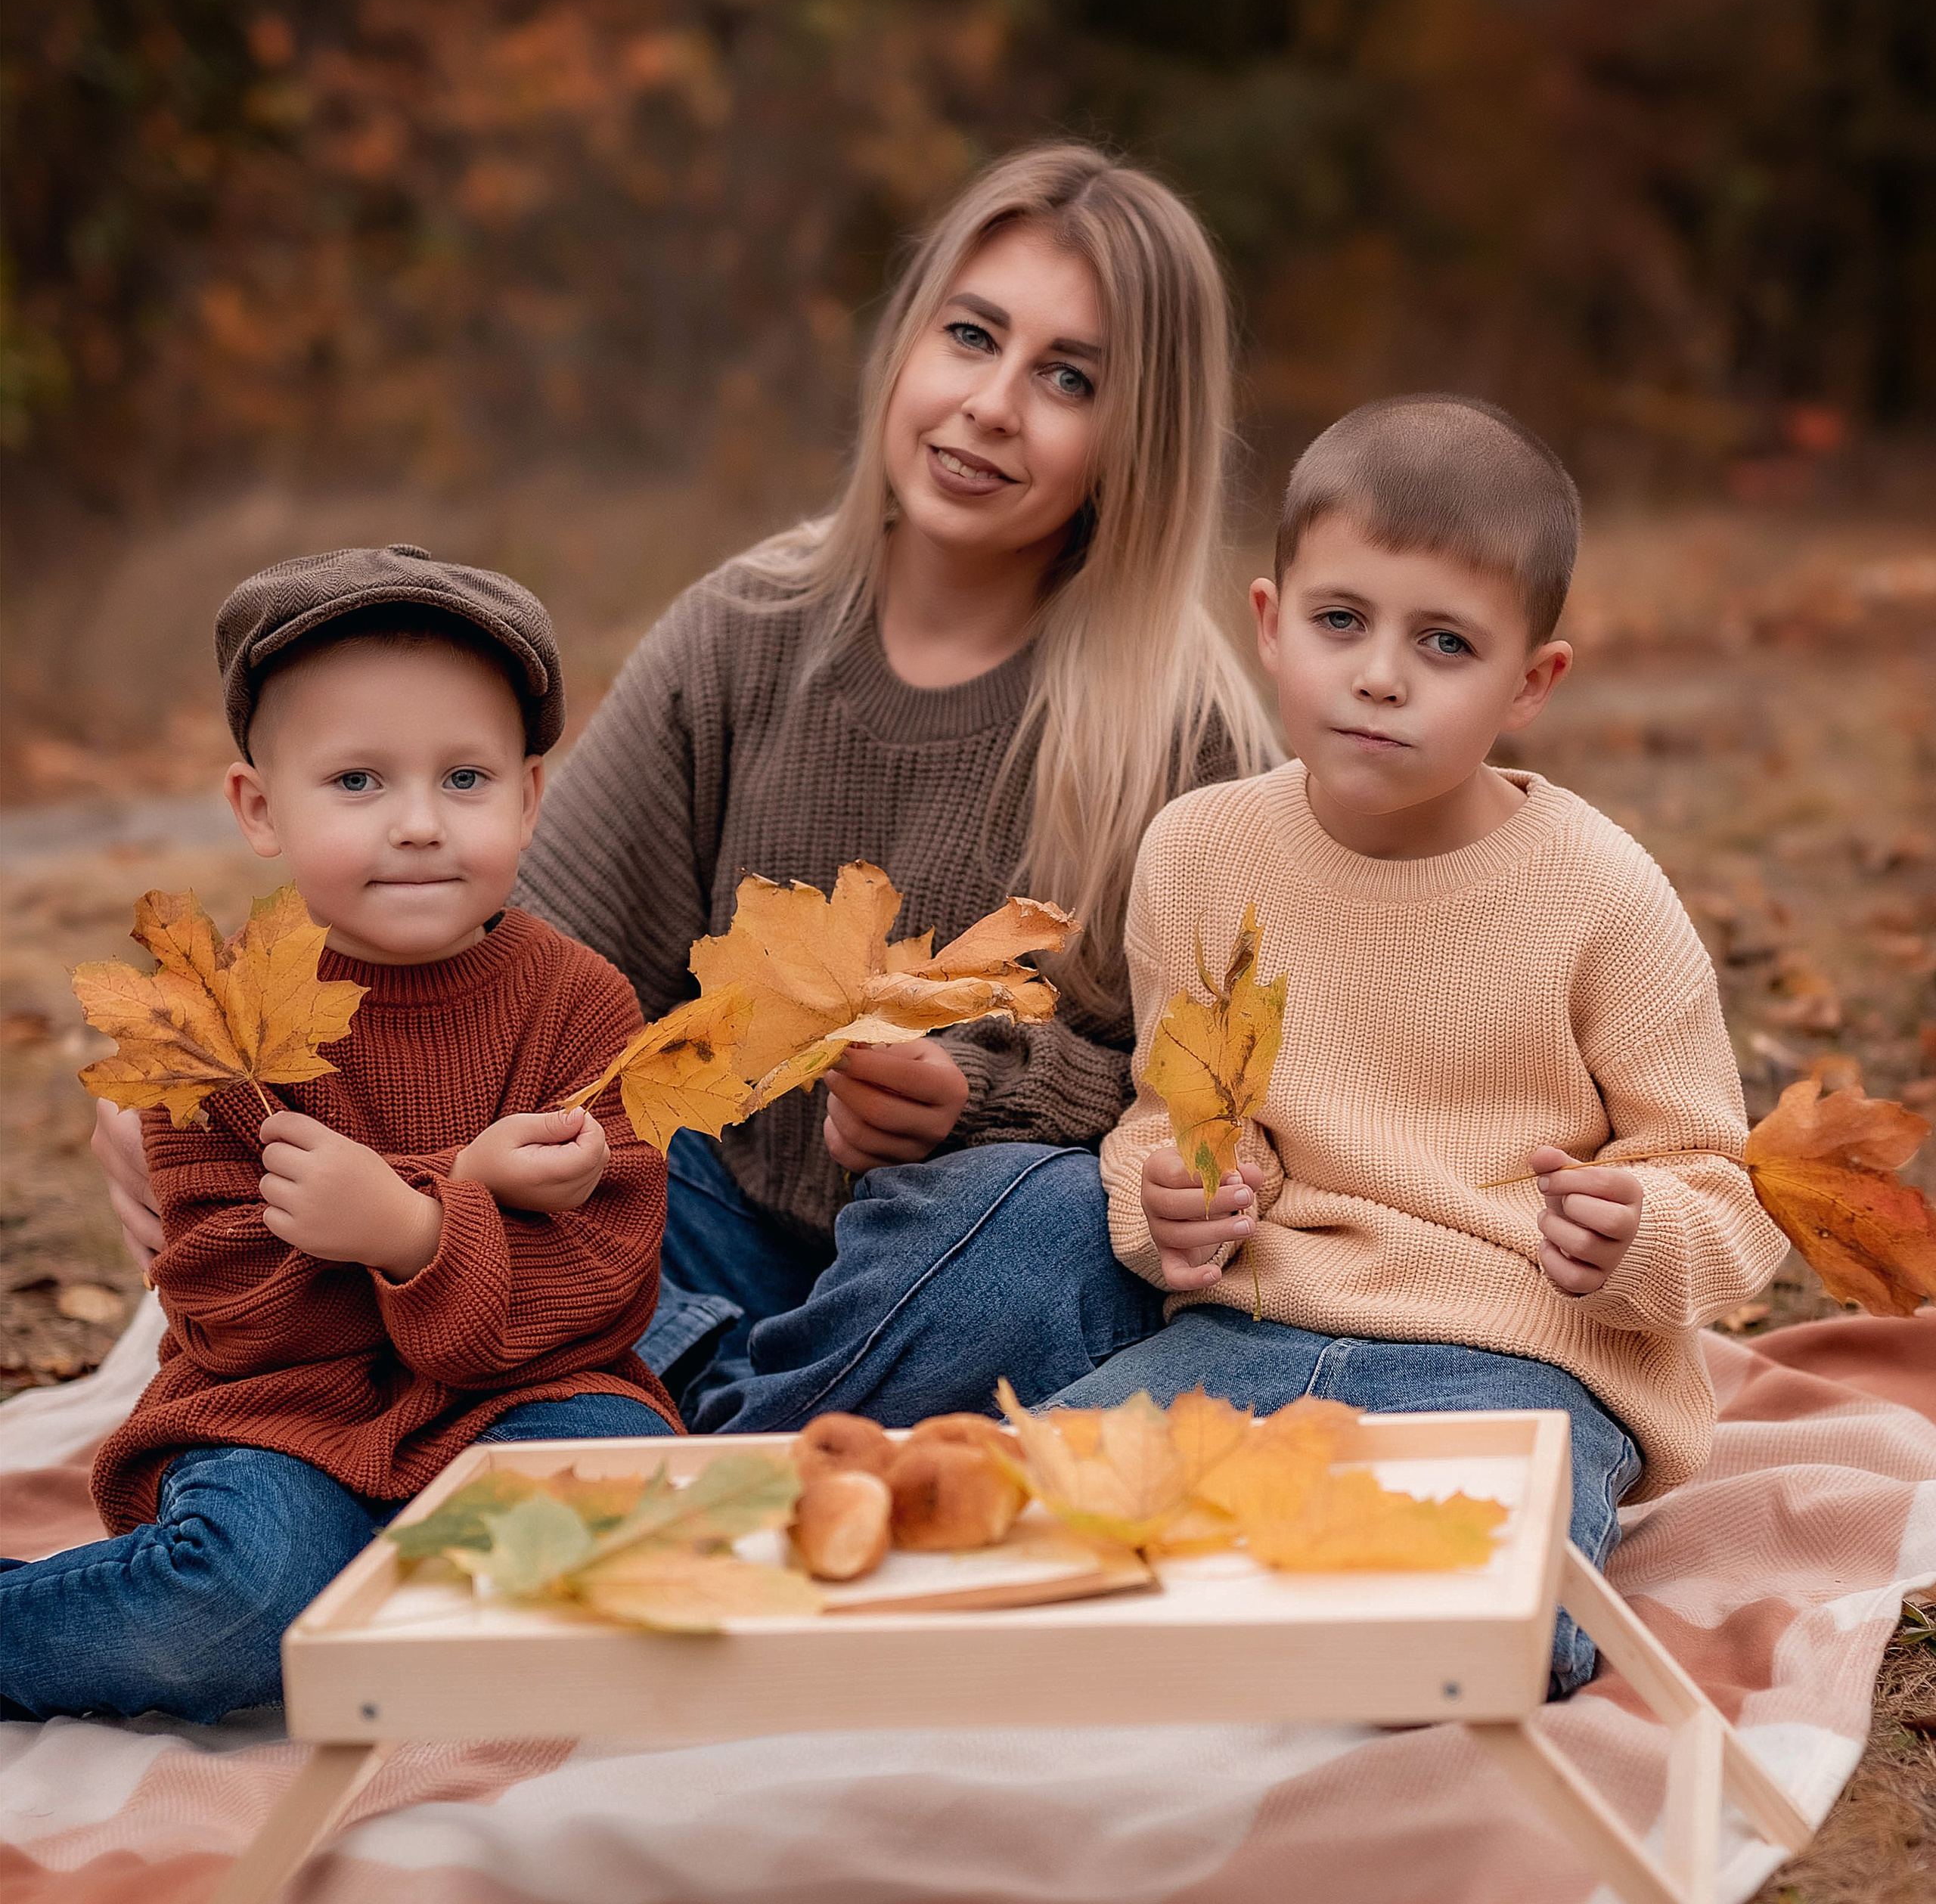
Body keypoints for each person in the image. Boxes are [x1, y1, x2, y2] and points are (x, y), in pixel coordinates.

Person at [92, 143, 1282, 1420]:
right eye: (971, 336)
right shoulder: (744, 632)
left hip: (946, 1262)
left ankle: (687, 1429)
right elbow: (484, 946)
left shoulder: (1186, 729)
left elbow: (1226, 1107)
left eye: (1068, 377)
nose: (993, 403)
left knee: (1041, 1231)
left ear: (1140, 435)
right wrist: (212, 1076)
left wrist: (988, 1094)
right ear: (905, 346)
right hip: (701, 1233)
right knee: (570, 1198)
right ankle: (743, 1423)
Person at [813, 393, 1786, 1695]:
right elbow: (1166, 1120)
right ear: (1271, 624)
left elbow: (1726, 1188)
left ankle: (1341, 1697)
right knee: (1018, 1555)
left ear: (1530, 684)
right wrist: (1168, 1205)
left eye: (1445, 643)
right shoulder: (1203, 854)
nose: (1380, 674)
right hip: (1243, 1336)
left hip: (1511, 1362)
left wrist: (1641, 1234)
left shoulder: (1600, 895)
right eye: (1342, 622)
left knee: (1473, 1621)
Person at [3, 547, 678, 1723]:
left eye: (465, 778)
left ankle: (415, 1606)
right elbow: (227, 1313)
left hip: (527, 1401)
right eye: (357, 781)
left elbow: (599, 1291)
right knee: (241, 1599)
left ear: (530, 797)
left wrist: (418, 1226)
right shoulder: (216, 1025)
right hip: (284, 1419)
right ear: (260, 808)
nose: (418, 825)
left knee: (639, 1516)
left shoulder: (583, 1007)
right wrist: (458, 1194)